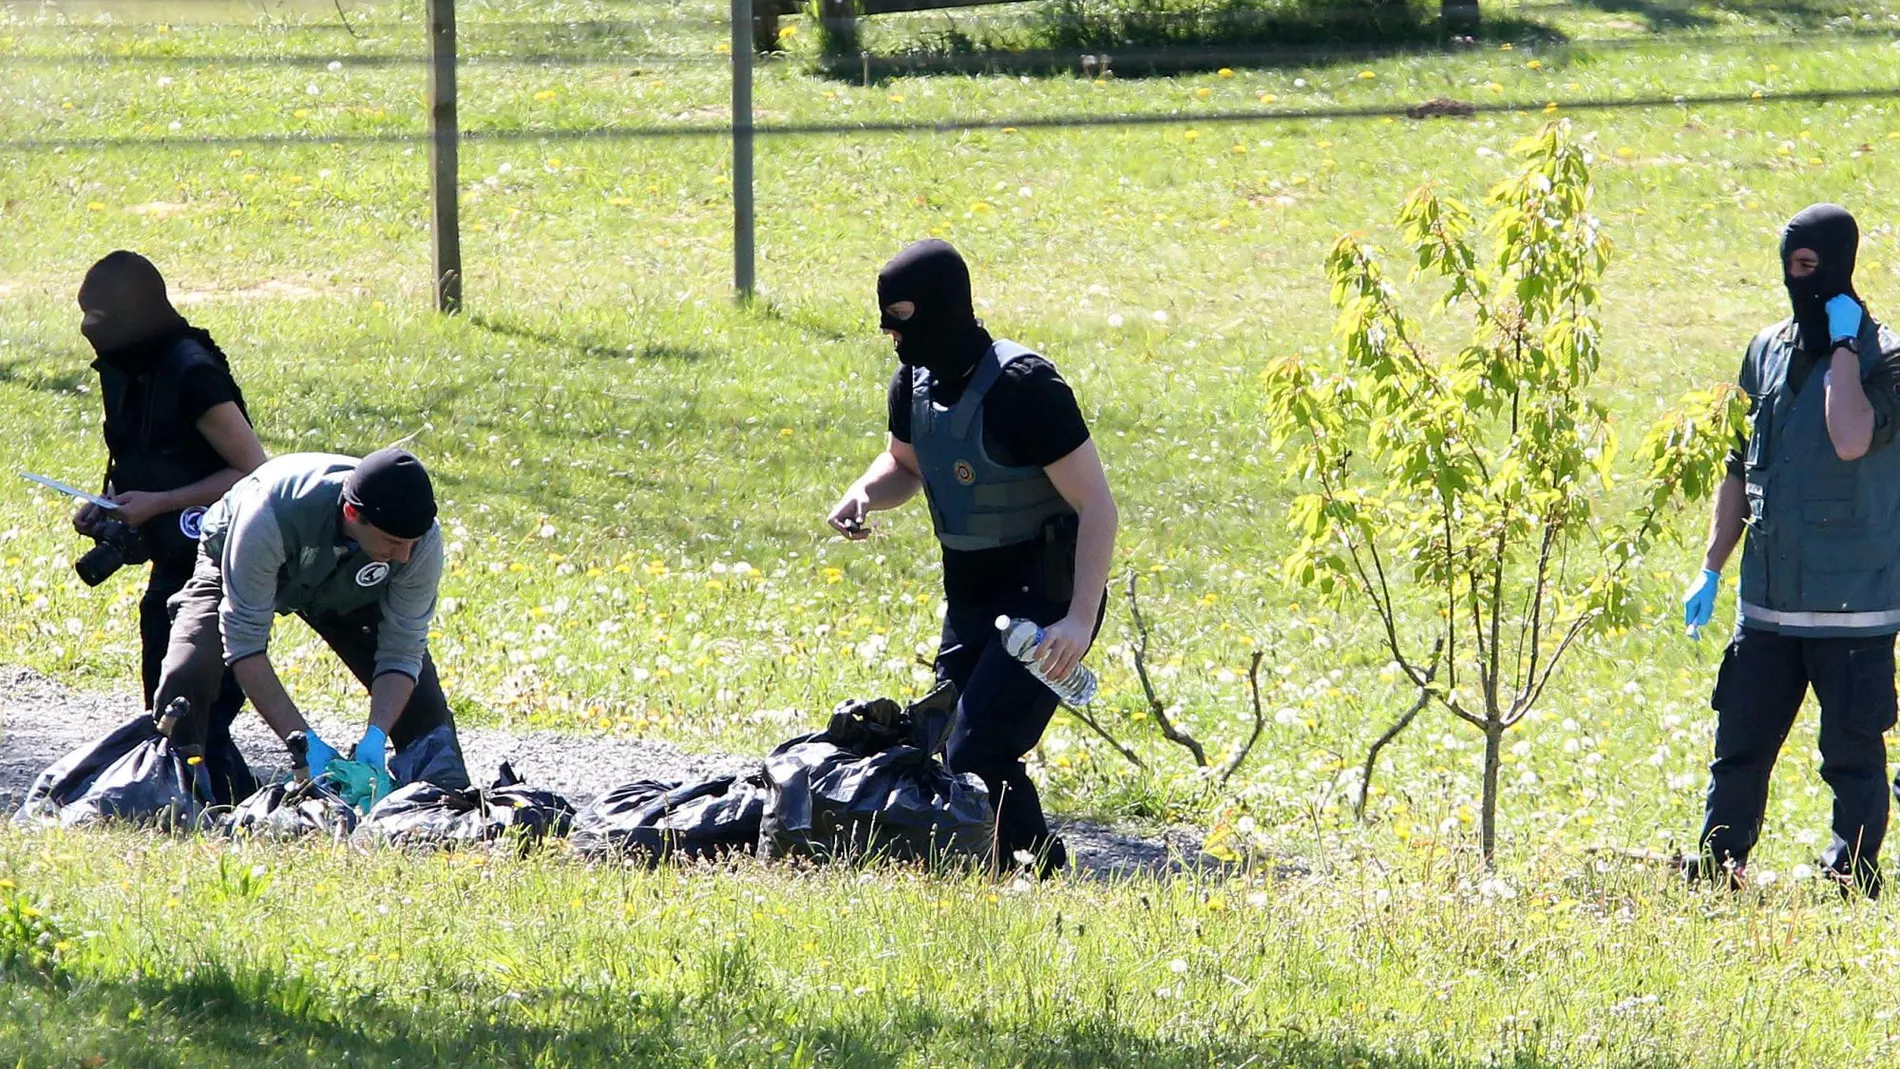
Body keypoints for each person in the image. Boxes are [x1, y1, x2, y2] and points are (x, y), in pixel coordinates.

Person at [827, 240, 1119, 876]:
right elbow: (904, 465)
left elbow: (1097, 506)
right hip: (972, 597)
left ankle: (1037, 871)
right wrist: (864, 492)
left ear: (942, 308)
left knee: (980, 747)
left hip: (1046, 599)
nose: (891, 332)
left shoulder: (1026, 388)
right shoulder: (913, 384)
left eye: (902, 316)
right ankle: (992, 870)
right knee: (941, 738)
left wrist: (1077, 620)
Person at [1682, 203, 1900, 896]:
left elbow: (1850, 438)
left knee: (1851, 756)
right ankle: (1719, 866)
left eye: (1807, 267)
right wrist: (1711, 567)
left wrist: (1843, 348)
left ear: (1839, 266)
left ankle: (1851, 875)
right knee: (1738, 747)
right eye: (1789, 266)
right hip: (1769, 602)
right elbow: (1739, 467)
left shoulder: (1887, 358)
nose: (1794, 279)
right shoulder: (1765, 350)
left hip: (1854, 606)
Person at [151, 448, 470, 793]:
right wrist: (305, 744)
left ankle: (436, 802)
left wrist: (376, 735)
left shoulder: (418, 539)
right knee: (189, 669)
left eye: (412, 543)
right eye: (394, 542)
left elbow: (403, 649)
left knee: (423, 708)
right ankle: (175, 793)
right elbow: (244, 643)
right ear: (352, 513)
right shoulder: (270, 512)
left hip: (348, 587)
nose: (404, 556)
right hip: (238, 558)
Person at [74, 251, 267, 803]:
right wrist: (107, 504)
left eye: (100, 318)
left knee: (196, 702)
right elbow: (146, 451)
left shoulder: (192, 372)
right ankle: (194, 795)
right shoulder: (128, 367)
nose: (88, 330)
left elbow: (254, 470)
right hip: (171, 556)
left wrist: (161, 503)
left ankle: (215, 801)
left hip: (224, 555)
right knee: (164, 693)